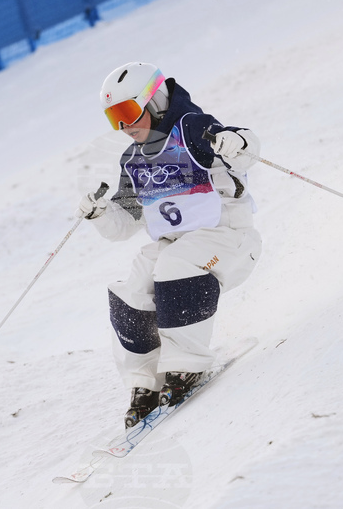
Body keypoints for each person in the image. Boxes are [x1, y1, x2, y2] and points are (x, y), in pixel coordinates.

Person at [77, 62, 263, 428]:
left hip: (228, 236)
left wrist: (235, 142)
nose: (124, 126)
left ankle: (186, 365)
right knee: (135, 284)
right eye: (114, 117)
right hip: (178, 242)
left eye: (128, 112)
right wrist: (100, 213)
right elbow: (125, 222)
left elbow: (245, 150)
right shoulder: (133, 160)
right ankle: (145, 381)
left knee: (173, 264)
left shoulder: (191, 128)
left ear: (156, 100)